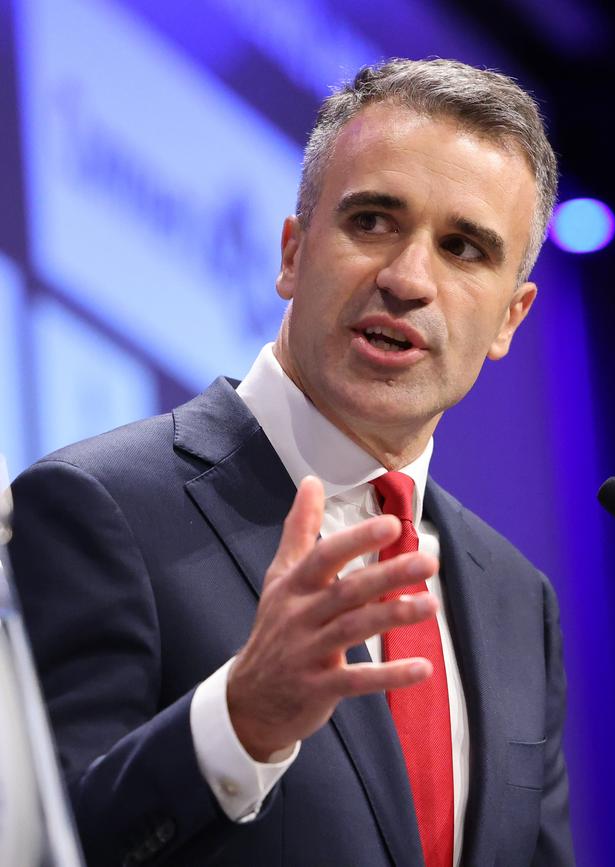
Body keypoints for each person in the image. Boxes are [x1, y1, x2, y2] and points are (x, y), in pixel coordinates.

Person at [9, 58, 574, 866]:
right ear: (291, 253)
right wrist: (239, 721)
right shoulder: (100, 505)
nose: (408, 278)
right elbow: (35, 844)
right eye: (373, 220)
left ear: (508, 320)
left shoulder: (519, 600)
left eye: (463, 248)